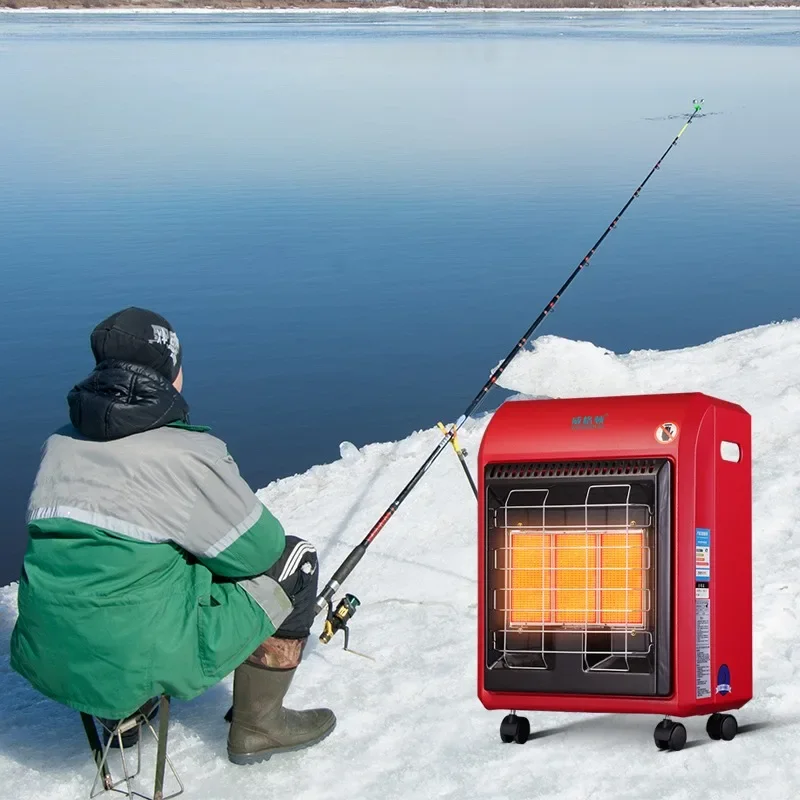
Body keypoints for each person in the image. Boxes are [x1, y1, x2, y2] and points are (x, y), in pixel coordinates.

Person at [10, 307, 335, 766]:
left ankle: (121, 720)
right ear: (170, 374)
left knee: (124, 565)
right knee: (293, 561)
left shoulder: (60, 443)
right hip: (136, 656)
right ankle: (259, 727)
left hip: (48, 654)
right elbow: (259, 551)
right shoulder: (186, 454)